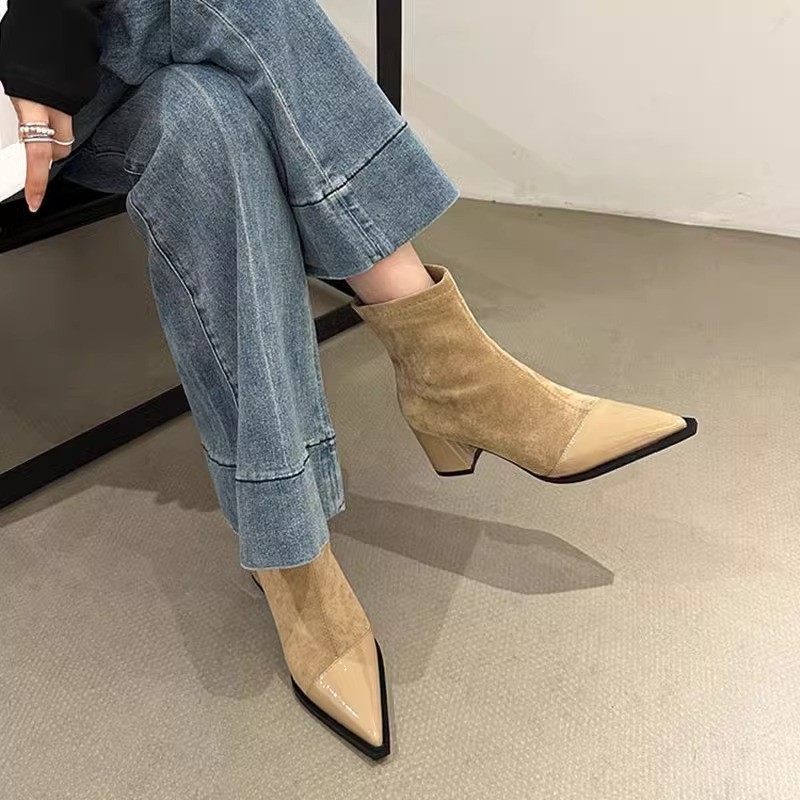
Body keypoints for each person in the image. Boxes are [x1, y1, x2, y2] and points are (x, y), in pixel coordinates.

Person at [0, 0, 696, 760]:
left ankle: (286, 540)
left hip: (76, 67)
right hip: (31, 100)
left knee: (205, 120)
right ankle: (451, 375)